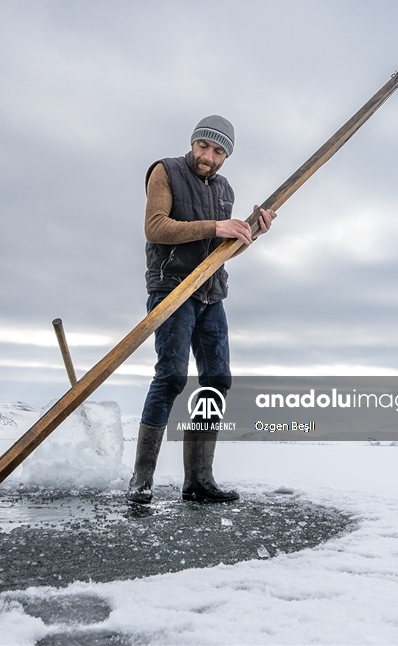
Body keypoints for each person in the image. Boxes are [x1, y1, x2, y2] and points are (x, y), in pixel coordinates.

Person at [127, 115, 276, 504]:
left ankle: (198, 480)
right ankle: (141, 480)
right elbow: (156, 227)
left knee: (216, 381)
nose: (208, 156)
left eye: (218, 151)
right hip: (172, 289)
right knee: (171, 378)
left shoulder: (224, 188)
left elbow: (221, 251)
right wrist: (217, 226)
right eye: (203, 147)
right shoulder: (166, 171)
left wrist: (251, 230)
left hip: (211, 294)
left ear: (226, 155)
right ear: (193, 143)